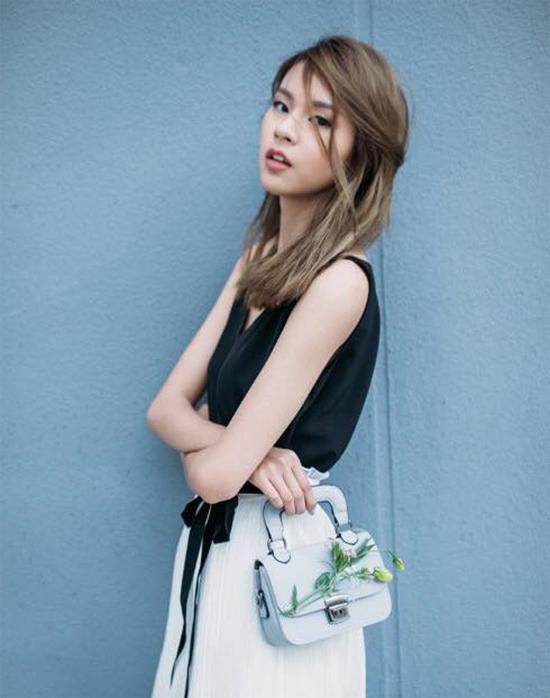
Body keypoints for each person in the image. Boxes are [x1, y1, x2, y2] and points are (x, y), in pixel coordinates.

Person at [147, 33, 409, 698]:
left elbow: (212, 476)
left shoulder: (339, 283)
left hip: (283, 565)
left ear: (360, 154)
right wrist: (249, 454)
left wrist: (226, 455)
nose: (285, 128)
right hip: (220, 553)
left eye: (320, 120)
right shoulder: (257, 260)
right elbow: (164, 411)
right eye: (281, 105)